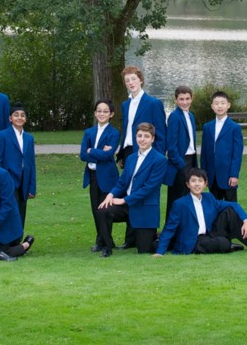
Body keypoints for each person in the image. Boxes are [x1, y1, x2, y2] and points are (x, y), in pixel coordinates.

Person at [154, 168, 247, 255]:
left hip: (210, 233)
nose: (197, 184)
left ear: (205, 184)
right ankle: (227, 245)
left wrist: (246, 220)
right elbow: (169, 228)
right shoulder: (180, 204)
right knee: (222, 243)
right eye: (193, 181)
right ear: (188, 184)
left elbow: (233, 204)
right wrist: (160, 252)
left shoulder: (208, 197)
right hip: (194, 241)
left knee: (229, 211)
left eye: (200, 181)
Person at [97, 122, 167, 257]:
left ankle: (161, 238)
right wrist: (110, 195)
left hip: (144, 207)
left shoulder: (159, 160)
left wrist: (123, 200)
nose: (142, 139)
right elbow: (122, 182)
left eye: (146, 136)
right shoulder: (131, 158)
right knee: (102, 210)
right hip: (127, 206)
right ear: (135, 138)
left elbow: (149, 188)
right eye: (139, 136)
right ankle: (107, 247)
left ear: (152, 139)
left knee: (144, 249)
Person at [80, 100, 120, 252]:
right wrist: (98, 152)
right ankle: (102, 239)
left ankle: (105, 242)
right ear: (95, 113)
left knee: (105, 210)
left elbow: (108, 155)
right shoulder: (89, 132)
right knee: (95, 209)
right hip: (93, 175)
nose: (102, 114)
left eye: (105, 111)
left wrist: (92, 151)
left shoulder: (114, 133)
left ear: (111, 114)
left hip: (108, 177)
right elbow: (83, 155)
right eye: (99, 111)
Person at [0, 103, 37, 229]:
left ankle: (18, 240)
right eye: (16, 115)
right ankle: (8, 241)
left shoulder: (29, 138)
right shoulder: (2, 135)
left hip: (24, 180)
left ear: (26, 119)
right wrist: (1, 181)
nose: (19, 117)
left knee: (22, 211)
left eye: (22, 115)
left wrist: (32, 186)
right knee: (10, 210)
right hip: (9, 179)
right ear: (10, 118)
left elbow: (31, 163)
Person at [117, 65, 167, 162]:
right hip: (128, 152)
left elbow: (161, 134)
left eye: (133, 79)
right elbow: (127, 129)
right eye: (127, 80)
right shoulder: (125, 105)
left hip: (147, 152)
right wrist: (122, 154)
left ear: (140, 80)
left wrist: (158, 158)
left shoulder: (153, 104)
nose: (131, 82)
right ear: (125, 84)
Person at [200, 91, 243, 202]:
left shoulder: (235, 128)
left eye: (223, 103)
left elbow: (237, 154)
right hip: (212, 176)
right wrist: (204, 175)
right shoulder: (207, 127)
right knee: (214, 207)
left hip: (228, 176)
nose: (220, 106)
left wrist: (234, 175)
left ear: (228, 105)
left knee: (231, 208)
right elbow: (204, 153)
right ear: (212, 106)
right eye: (216, 103)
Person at [162, 86, 197, 220]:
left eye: (187, 99)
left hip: (191, 161)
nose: (185, 102)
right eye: (181, 99)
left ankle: (185, 229)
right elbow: (171, 146)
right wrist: (181, 166)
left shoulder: (190, 116)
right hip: (180, 163)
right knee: (177, 199)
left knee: (188, 197)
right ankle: (171, 232)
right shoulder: (174, 117)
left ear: (191, 99)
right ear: (176, 100)